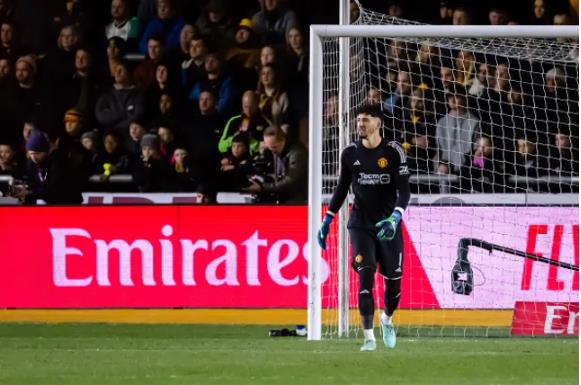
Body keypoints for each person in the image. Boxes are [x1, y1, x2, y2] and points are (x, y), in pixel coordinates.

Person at [317, 104, 410, 352]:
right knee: (365, 277)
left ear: (378, 123)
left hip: (387, 224)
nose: (360, 124)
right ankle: (369, 338)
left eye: (365, 120)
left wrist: (395, 218)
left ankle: (386, 319)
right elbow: (341, 188)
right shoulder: (349, 153)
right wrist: (328, 218)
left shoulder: (393, 152)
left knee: (394, 284)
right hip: (360, 225)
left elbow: (405, 190)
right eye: (358, 120)